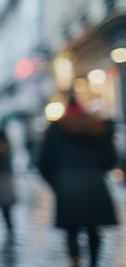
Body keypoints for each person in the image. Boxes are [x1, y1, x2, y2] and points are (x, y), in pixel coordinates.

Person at [37, 96, 118, 267]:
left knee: (71, 229)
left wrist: (56, 183)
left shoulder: (55, 130)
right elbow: (110, 159)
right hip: (94, 184)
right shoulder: (96, 128)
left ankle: (75, 260)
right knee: (94, 228)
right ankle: (94, 262)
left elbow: (43, 163)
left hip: (66, 185)